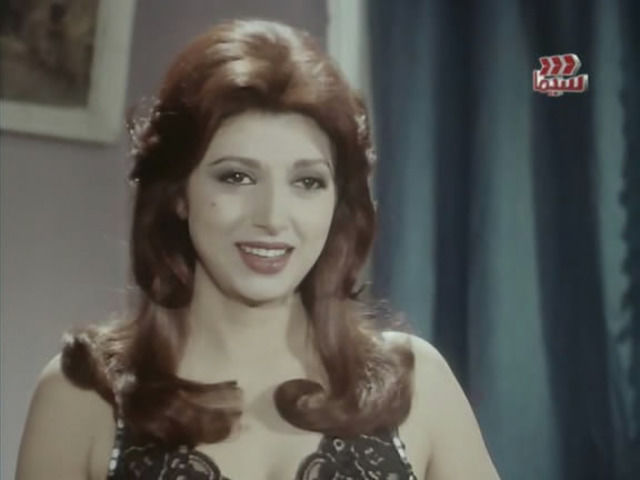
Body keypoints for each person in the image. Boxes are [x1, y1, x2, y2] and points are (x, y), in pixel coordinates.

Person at [15, 19, 500, 480]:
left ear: (337, 203)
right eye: (237, 177)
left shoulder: (417, 386)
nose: (272, 217)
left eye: (307, 182)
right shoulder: (83, 397)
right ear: (178, 193)